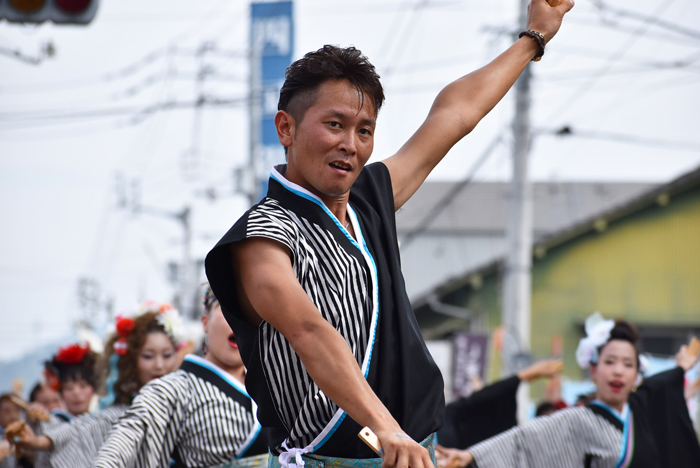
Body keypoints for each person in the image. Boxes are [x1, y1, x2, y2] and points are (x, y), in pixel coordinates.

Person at [205, 2, 573, 467]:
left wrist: (533, 38)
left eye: (365, 130)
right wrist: (386, 428)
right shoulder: (261, 238)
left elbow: (454, 114)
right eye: (334, 124)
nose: (351, 144)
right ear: (286, 127)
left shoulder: (369, 198)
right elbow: (310, 332)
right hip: (332, 459)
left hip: (415, 452)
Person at [434, 313, 700, 468]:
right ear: (593, 371)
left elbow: (661, 387)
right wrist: (472, 455)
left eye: (627, 364)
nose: (618, 370)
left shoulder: (642, 409)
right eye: (609, 362)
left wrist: (680, 370)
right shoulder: (578, 418)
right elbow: (524, 442)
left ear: (636, 375)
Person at [94, 286, 268, 468]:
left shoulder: (273, 386)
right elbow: (126, 440)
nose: (239, 319)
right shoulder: (172, 389)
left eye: (249, 311)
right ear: (205, 321)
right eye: (227, 308)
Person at [15, 303, 183, 468]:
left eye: (167, 355)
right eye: (148, 356)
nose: (159, 365)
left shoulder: (190, 401)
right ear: (130, 362)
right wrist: (39, 442)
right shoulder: (122, 413)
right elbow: (80, 430)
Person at [436, 359, 563, 449]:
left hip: (445, 439)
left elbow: (485, 396)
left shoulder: (515, 440)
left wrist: (528, 374)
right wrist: (527, 374)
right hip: (443, 429)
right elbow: (485, 396)